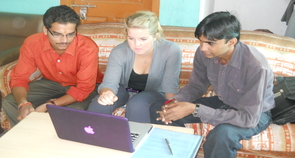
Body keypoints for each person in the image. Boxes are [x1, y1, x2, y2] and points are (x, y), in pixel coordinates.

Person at [150, 11, 274, 158]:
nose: (203, 48)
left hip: (255, 113)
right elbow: (197, 85)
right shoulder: (204, 54)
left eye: (210, 43)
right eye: (201, 41)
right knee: (161, 108)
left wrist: (195, 109)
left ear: (231, 42)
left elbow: (248, 118)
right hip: (224, 102)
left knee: (222, 135)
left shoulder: (256, 66)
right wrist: (177, 101)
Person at [2, 5, 103, 126]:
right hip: (52, 83)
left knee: (73, 111)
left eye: (71, 34)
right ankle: (29, 136)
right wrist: (23, 104)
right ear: (45, 30)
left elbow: (84, 88)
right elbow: (19, 78)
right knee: (10, 101)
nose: (64, 40)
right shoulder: (32, 43)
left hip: (85, 87)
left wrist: (50, 105)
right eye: (57, 34)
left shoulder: (87, 47)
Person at [87, 11, 182, 123]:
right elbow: (109, 84)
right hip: (122, 90)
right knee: (99, 105)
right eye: (131, 38)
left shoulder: (171, 50)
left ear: (155, 36)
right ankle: (91, 138)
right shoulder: (119, 51)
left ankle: (136, 140)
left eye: (143, 39)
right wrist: (106, 94)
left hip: (154, 92)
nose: (136, 44)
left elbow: (170, 87)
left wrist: (171, 109)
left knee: (137, 104)